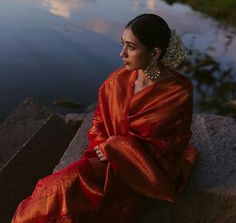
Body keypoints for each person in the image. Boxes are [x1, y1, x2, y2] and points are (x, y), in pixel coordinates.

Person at [11, 13, 198, 223]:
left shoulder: (177, 93)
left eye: (131, 47)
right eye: (122, 44)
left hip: (138, 169)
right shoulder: (119, 80)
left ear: (154, 53)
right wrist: (103, 146)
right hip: (102, 156)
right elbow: (99, 120)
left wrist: (117, 148)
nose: (122, 53)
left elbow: (168, 146)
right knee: (49, 188)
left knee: (63, 189)